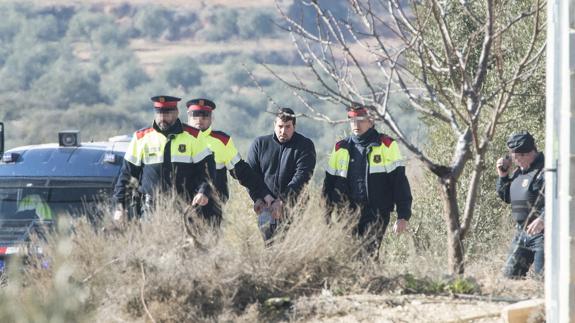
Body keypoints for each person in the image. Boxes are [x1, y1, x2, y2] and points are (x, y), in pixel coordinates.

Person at [322, 106, 412, 257]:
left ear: (371, 121)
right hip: (347, 213)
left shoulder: (387, 145)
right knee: (350, 256)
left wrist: (403, 215)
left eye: (361, 120)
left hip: (376, 213)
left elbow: (400, 183)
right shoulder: (340, 148)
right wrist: (326, 216)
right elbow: (328, 185)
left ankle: (372, 279)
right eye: (352, 120)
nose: (356, 125)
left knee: (368, 254)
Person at [113, 96, 213, 222]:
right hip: (150, 210)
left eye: (167, 113)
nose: (162, 117)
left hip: (185, 208)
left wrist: (203, 191)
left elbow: (207, 171)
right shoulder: (141, 137)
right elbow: (126, 175)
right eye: (159, 112)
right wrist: (120, 206)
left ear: (176, 113)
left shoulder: (194, 136)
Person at [186, 98, 273, 225]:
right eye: (195, 114)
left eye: (205, 115)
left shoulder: (222, 141)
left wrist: (264, 194)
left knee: (210, 244)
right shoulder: (178, 139)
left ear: (212, 118)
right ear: (188, 117)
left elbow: (242, 172)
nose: (200, 119)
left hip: (212, 207)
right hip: (183, 204)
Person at [246, 108, 316, 242]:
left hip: (294, 207)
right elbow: (251, 176)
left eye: (288, 127)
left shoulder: (305, 145)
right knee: (269, 245)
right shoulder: (259, 144)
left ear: (294, 127)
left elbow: (302, 176)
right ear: (274, 125)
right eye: (280, 126)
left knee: (292, 248)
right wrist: (258, 198)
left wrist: (283, 200)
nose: (283, 131)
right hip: (265, 207)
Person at [496, 131, 545, 278]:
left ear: (531, 152)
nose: (517, 160)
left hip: (543, 236)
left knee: (543, 281)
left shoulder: (545, 171)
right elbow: (507, 197)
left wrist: (544, 218)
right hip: (522, 234)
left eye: (520, 156)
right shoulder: (519, 172)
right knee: (508, 279)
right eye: (514, 157)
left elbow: (557, 198)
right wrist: (503, 176)